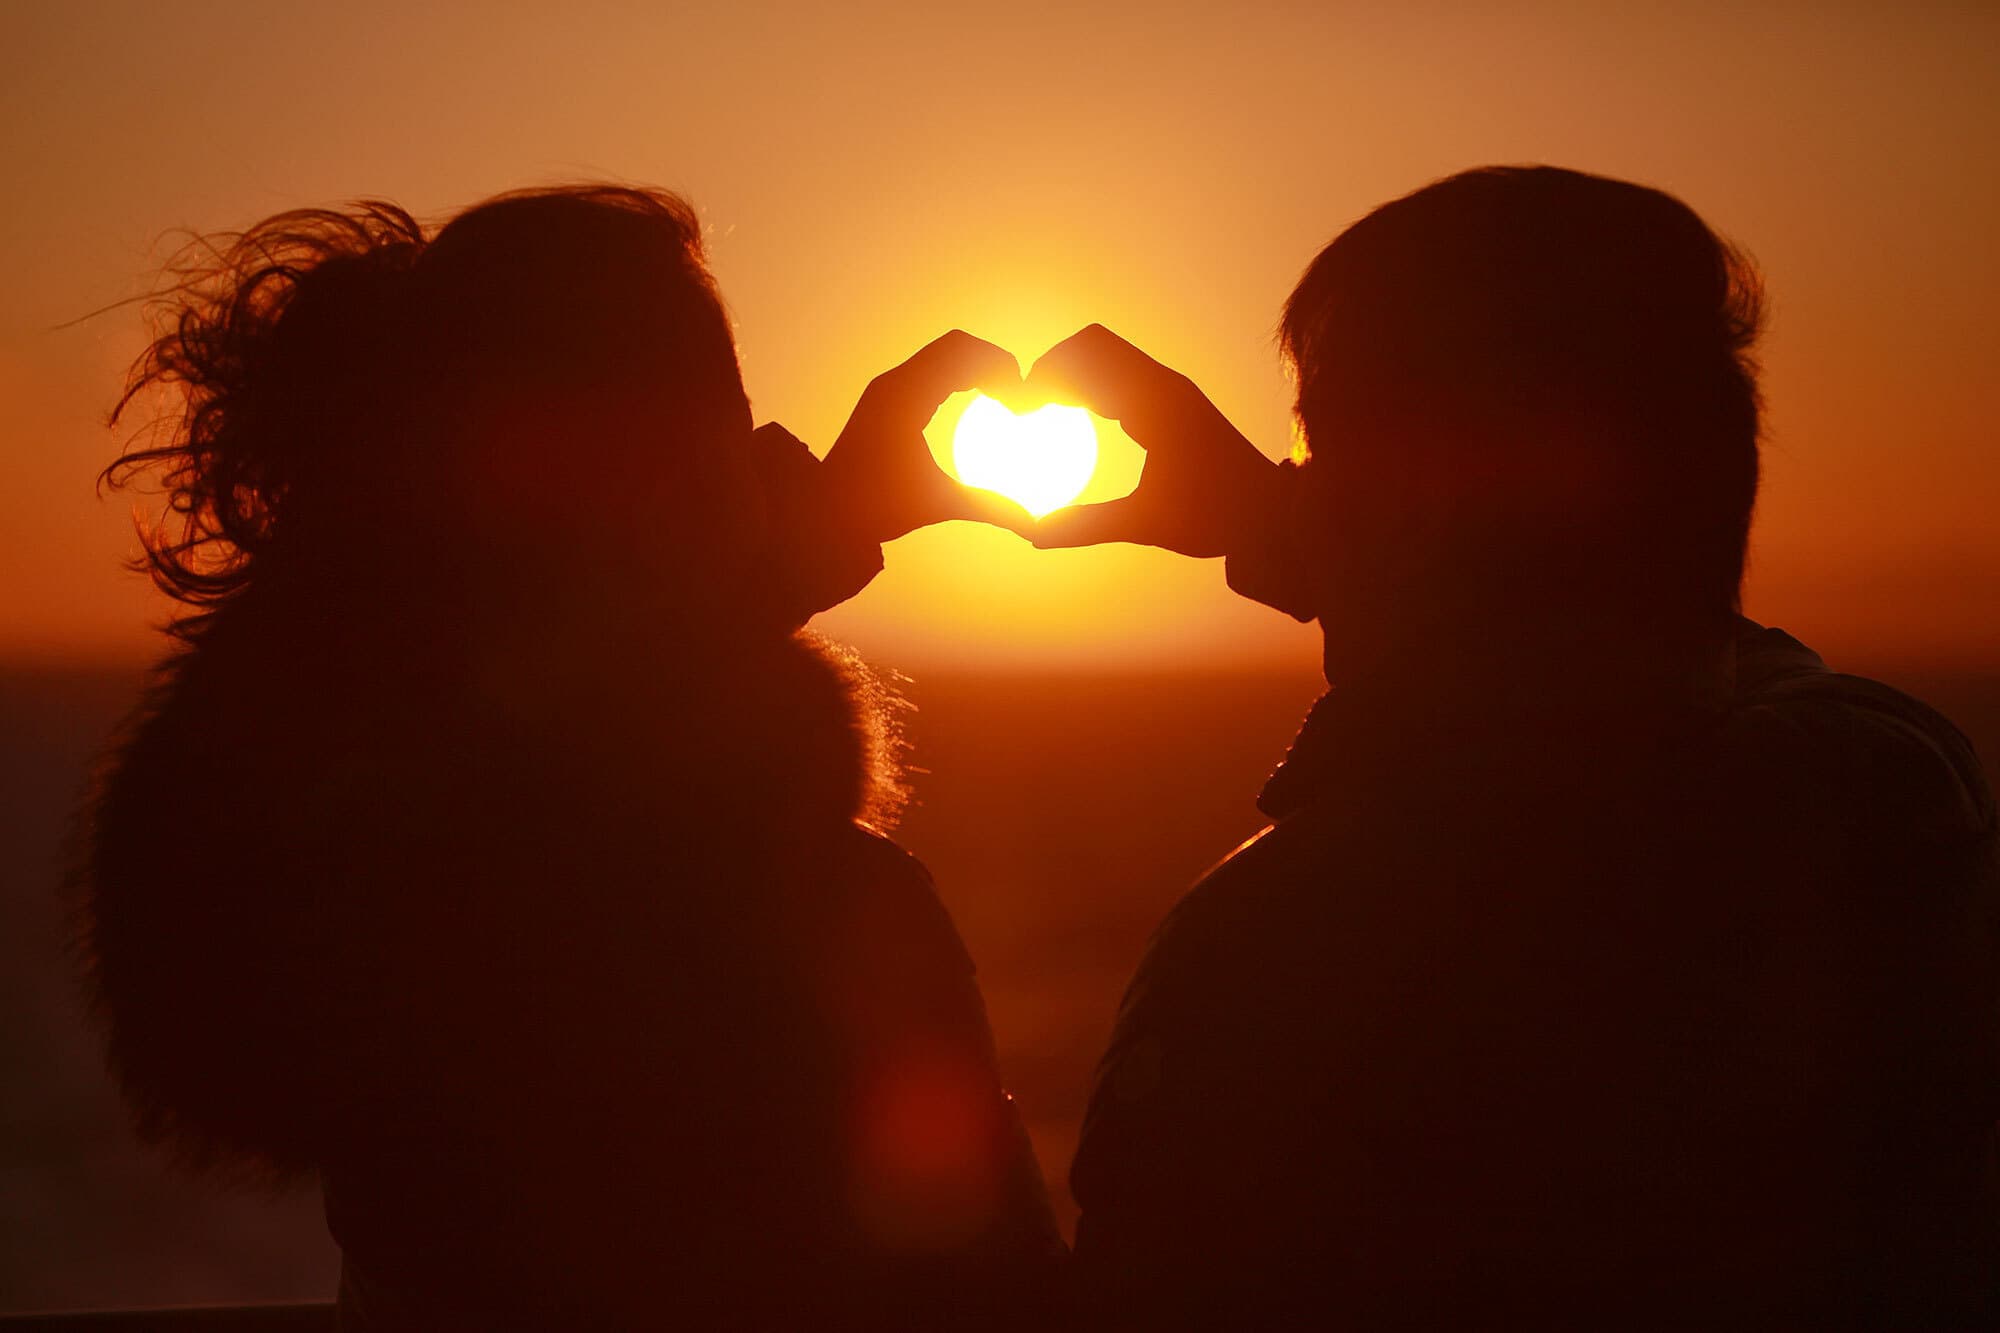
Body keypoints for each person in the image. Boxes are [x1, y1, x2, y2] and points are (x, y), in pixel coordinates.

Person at [72, 185, 1060, 1328]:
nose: (778, 448)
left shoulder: (351, 862)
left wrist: (753, 575)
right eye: (730, 418)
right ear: (662, 480)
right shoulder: (803, 924)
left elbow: (547, 751)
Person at [1028, 167, 1999, 1327]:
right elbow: (1602, 646)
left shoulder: (1291, 941)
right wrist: (1312, 536)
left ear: (1422, 492)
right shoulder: (1879, 802)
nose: (1302, 482)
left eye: (1323, 436)